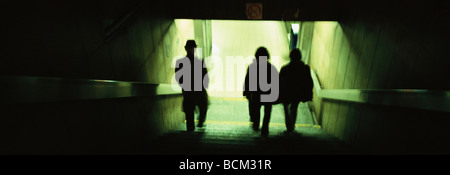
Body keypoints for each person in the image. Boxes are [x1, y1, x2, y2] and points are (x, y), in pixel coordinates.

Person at [243, 47, 279, 137]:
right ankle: (265, 128)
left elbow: (247, 81)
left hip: (256, 94)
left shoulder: (252, 67)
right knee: (267, 111)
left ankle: (256, 124)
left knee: (256, 110)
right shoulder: (271, 68)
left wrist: (246, 92)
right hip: (269, 94)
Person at [175, 40, 209, 132]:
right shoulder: (200, 62)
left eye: (192, 48)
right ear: (186, 49)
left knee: (191, 111)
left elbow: (178, 78)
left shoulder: (180, 62)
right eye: (190, 48)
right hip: (196, 90)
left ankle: (193, 128)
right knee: (202, 106)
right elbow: (205, 76)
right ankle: (198, 124)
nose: (191, 50)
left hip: (190, 91)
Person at [279, 49, 313, 133]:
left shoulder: (285, 68)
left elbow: (279, 82)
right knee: (294, 108)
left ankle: (288, 128)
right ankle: (292, 127)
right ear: (300, 57)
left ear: (290, 56)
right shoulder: (305, 68)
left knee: (286, 108)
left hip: (286, 93)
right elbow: (309, 82)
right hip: (299, 93)